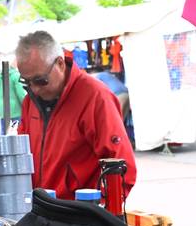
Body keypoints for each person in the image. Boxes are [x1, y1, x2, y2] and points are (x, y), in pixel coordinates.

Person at [15, 31, 137, 200]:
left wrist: (100, 212)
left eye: (40, 80)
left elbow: (122, 167)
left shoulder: (95, 96)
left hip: (79, 215)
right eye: (26, 82)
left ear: (60, 63)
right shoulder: (30, 101)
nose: (34, 89)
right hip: (43, 211)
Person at [0, 56, 26, 124]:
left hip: (2, 110)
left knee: (4, 132)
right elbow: (21, 95)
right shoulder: (16, 76)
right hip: (16, 111)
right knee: (16, 132)